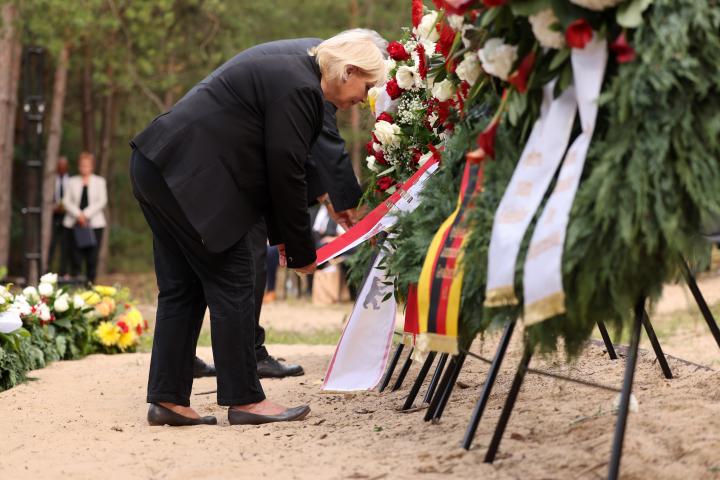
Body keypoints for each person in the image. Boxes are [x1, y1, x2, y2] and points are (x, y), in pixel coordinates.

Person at [130, 30, 386, 427]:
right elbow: (285, 172)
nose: (362, 100)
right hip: (189, 175)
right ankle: (244, 399)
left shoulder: (294, 74)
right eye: (366, 86)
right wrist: (302, 252)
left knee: (182, 287)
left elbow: (273, 166)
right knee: (234, 280)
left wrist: (284, 239)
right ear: (347, 71)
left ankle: (168, 399)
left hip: (157, 164)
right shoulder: (300, 87)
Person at [187, 31, 386, 381]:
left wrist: (328, 198)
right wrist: (348, 207)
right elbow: (315, 147)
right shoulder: (314, 77)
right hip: (225, 165)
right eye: (369, 87)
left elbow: (301, 142)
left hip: (213, 156)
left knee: (198, 268)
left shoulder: (317, 62)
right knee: (244, 262)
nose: (365, 98)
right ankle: (246, 363)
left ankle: (188, 358)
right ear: (354, 68)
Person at [63, 152, 107, 284]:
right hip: (74, 224)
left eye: (87, 166)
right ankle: (75, 285)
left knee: (92, 257)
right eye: (82, 165)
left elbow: (102, 201)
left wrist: (86, 215)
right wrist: (78, 215)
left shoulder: (100, 181)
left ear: (92, 166)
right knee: (75, 256)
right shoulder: (72, 181)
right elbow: (66, 201)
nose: (84, 168)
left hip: (95, 224)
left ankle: (90, 285)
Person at [46, 156, 70, 275]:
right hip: (53, 216)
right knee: (52, 244)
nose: (61, 169)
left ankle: (63, 272)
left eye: (63, 167)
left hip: (67, 216)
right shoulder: (51, 180)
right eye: (59, 166)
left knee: (65, 245)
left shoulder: (70, 180)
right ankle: (47, 270)